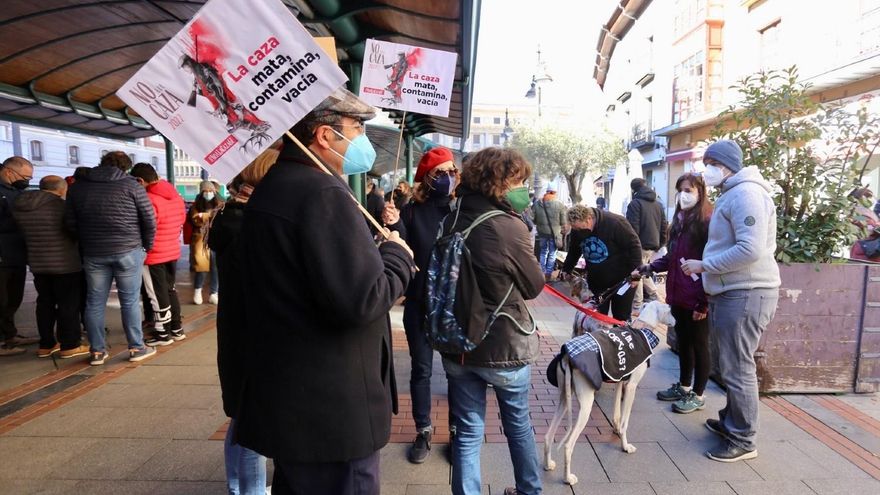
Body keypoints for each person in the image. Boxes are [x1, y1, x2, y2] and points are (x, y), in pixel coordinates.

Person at [234, 88, 415, 495]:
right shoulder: (322, 192)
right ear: (324, 135)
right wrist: (398, 257)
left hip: (296, 399)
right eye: (356, 128)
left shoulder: (278, 184)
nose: (362, 139)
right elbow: (362, 300)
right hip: (331, 408)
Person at [436, 147, 544, 495]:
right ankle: (529, 491)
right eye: (518, 181)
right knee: (518, 426)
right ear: (498, 182)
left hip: (457, 345)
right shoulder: (507, 226)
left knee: (467, 431)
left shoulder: (450, 217)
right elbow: (533, 286)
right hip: (503, 345)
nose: (523, 188)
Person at [681, 139, 780, 463]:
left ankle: (743, 438)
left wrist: (704, 265)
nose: (705, 170)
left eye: (710, 163)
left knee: (738, 368)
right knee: (731, 364)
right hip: (735, 291)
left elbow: (750, 250)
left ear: (724, 166)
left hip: (746, 292)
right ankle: (731, 421)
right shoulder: (737, 192)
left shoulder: (746, 194)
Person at [209, 147, 279, 495]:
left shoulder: (229, 216)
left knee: (240, 418)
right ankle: (249, 490)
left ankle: (238, 486)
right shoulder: (247, 225)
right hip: (252, 336)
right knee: (252, 423)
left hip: (236, 332)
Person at [382, 146, 457, 464]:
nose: (450, 178)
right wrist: (395, 224)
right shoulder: (412, 210)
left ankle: (457, 432)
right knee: (422, 370)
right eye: (442, 172)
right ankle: (423, 431)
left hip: (454, 308)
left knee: (457, 373)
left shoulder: (462, 209)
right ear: (428, 177)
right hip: (420, 305)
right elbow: (404, 247)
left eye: (453, 171)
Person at [65, 151, 157, 365]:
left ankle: (97, 351)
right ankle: (136, 347)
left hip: (94, 252)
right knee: (130, 300)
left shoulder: (78, 187)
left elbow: (69, 222)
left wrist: (86, 241)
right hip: (128, 250)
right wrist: (146, 247)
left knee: (94, 302)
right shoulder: (132, 185)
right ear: (125, 167)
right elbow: (149, 219)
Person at [635, 173, 713, 413]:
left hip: (697, 295)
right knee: (684, 343)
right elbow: (672, 257)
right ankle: (684, 386)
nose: (684, 195)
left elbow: (711, 262)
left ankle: (698, 395)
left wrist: (704, 303)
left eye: (689, 190)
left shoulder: (707, 220)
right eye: (680, 190)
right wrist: (648, 267)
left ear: (700, 192)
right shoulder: (679, 220)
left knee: (700, 345)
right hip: (678, 294)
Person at [11, 175, 89, 359]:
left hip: (38, 263)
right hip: (65, 262)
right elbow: (74, 230)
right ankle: (70, 344)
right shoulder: (61, 207)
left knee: (44, 303)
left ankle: (46, 344)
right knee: (68, 305)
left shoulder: (21, 206)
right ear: (62, 189)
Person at [130, 163, 186, 346]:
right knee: (170, 289)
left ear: (140, 181)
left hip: (154, 253)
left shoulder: (148, 198)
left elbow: (147, 225)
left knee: (156, 293)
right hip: (172, 250)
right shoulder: (175, 196)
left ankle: (163, 334)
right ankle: (177, 329)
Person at [561, 205, 643, 321]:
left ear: (589, 219)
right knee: (596, 318)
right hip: (597, 280)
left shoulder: (615, 223)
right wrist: (567, 269)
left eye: (581, 228)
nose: (579, 232)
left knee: (621, 318)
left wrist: (636, 275)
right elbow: (574, 250)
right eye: (576, 229)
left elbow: (634, 247)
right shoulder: (577, 229)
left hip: (622, 279)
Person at [0, 156, 40, 356]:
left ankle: (10, 335)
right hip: (2, 255)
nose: (26, 181)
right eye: (25, 177)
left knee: (13, 298)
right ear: (9, 172)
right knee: (2, 299)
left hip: (17, 254)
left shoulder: (15, 191)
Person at [626, 178, 668, 312]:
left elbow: (633, 228)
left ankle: (637, 305)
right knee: (643, 270)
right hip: (653, 244)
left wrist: (632, 246)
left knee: (637, 272)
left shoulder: (635, 204)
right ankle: (656, 296)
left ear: (634, 189)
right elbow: (664, 226)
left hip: (639, 244)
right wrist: (661, 243)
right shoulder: (658, 204)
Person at [187, 181, 222, 305]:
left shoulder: (220, 204)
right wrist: (210, 215)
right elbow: (196, 219)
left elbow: (220, 219)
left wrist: (205, 215)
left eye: (210, 190)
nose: (208, 193)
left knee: (215, 267)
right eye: (205, 191)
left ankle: (214, 293)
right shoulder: (195, 206)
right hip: (201, 240)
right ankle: (198, 291)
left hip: (216, 239)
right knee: (201, 267)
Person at [531, 188, 568, 282]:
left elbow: (533, 219)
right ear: (555, 193)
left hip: (542, 232)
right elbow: (563, 221)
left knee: (543, 251)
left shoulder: (537, 203)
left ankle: (542, 272)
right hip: (554, 233)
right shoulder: (559, 204)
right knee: (552, 253)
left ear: (546, 192)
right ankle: (548, 273)